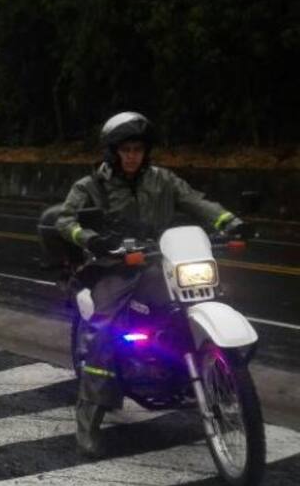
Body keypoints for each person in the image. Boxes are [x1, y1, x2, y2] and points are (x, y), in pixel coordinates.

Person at [56, 111, 249, 457]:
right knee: (102, 330)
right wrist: (92, 239)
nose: (132, 156)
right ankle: (88, 420)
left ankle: (220, 374)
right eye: (126, 149)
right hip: (115, 266)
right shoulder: (92, 186)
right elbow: (64, 220)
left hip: (160, 262)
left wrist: (230, 222)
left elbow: (197, 201)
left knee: (214, 296)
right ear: (113, 152)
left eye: (138, 149)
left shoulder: (163, 180)